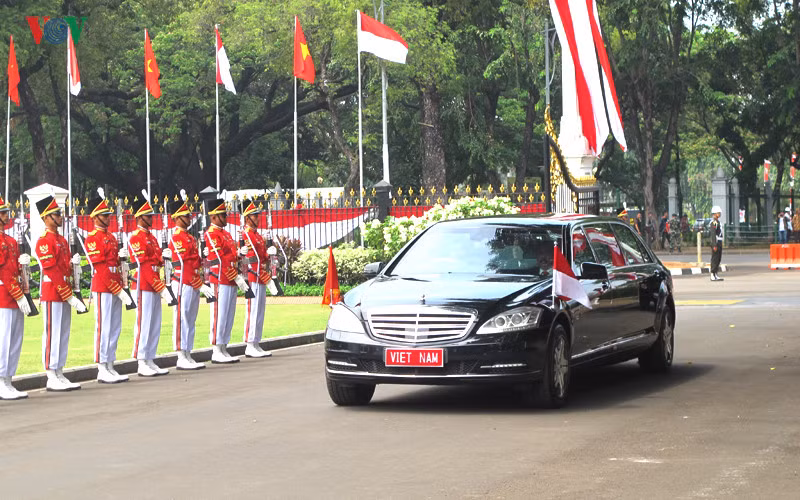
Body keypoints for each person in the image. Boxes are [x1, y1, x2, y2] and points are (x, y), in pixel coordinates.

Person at [35, 194, 85, 391]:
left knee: (63, 333)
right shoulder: (44, 241)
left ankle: (59, 370)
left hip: (64, 292)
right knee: (52, 333)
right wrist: (69, 295)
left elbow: (64, 269)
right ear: (47, 217)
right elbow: (52, 270)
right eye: (56, 214)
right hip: (53, 293)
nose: (60, 217)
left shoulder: (62, 240)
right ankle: (50, 373)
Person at [85, 190, 132, 384]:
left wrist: (123, 260)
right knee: (103, 326)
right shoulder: (92, 238)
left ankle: (110, 363)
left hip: (115, 284)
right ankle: (101, 366)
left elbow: (115, 264)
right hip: (104, 286)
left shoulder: (111, 237)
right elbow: (101, 267)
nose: (108, 218)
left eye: (108, 215)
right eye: (104, 215)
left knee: (114, 327)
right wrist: (117, 289)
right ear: (95, 217)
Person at [128, 192, 173, 377]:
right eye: (148, 215)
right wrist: (160, 287)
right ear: (139, 217)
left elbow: (155, 262)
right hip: (143, 285)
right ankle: (141, 360)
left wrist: (164, 258)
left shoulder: (152, 238)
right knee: (144, 323)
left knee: (155, 323)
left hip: (153, 284)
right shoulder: (136, 238)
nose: (151, 218)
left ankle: (150, 358)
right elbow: (143, 266)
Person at [168, 195, 214, 370]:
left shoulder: (189, 237)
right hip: (183, 282)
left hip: (193, 281)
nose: (189, 218)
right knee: (182, 318)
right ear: (177, 218)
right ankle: (181, 355)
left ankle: (188, 352)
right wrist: (198, 283)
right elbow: (183, 264)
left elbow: (195, 262)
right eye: (186, 216)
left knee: (191, 318)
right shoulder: (177, 238)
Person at [204, 198, 253, 363]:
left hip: (230, 277)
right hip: (220, 278)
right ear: (213, 217)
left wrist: (239, 253)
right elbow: (220, 258)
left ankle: (224, 345)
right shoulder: (211, 234)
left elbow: (230, 256)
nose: (226, 217)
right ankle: (216, 348)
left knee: (228, 314)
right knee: (219, 313)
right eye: (223, 215)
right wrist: (235, 272)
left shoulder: (225, 233)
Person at [0, 196, 32, 400]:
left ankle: (8, 379)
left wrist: (24, 267)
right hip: (4, 295)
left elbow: (15, 270)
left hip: (15, 295)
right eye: (3, 213)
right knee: (3, 339)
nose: (6, 216)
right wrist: (18, 294)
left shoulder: (11, 241)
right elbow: (2, 272)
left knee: (15, 339)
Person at [241, 199, 273, 358]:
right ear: (248, 218)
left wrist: (270, 254)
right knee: (252, 310)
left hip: (260, 275)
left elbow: (263, 256)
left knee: (260, 310)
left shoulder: (257, 235)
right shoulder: (246, 234)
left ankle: (256, 342)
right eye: (255, 216)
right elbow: (252, 258)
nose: (258, 218)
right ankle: (249, 343)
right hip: (253, 276)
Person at [709, 206, 724, 281]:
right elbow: (713, 234)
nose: (719, 214)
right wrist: (714, 244)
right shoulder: (713, 223)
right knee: (714, 258)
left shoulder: (718, 222)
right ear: (714, 214)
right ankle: (712, 273)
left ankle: (716, 273)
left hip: (719, 241)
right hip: (716, 242)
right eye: (718, 213)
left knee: (718, 258)